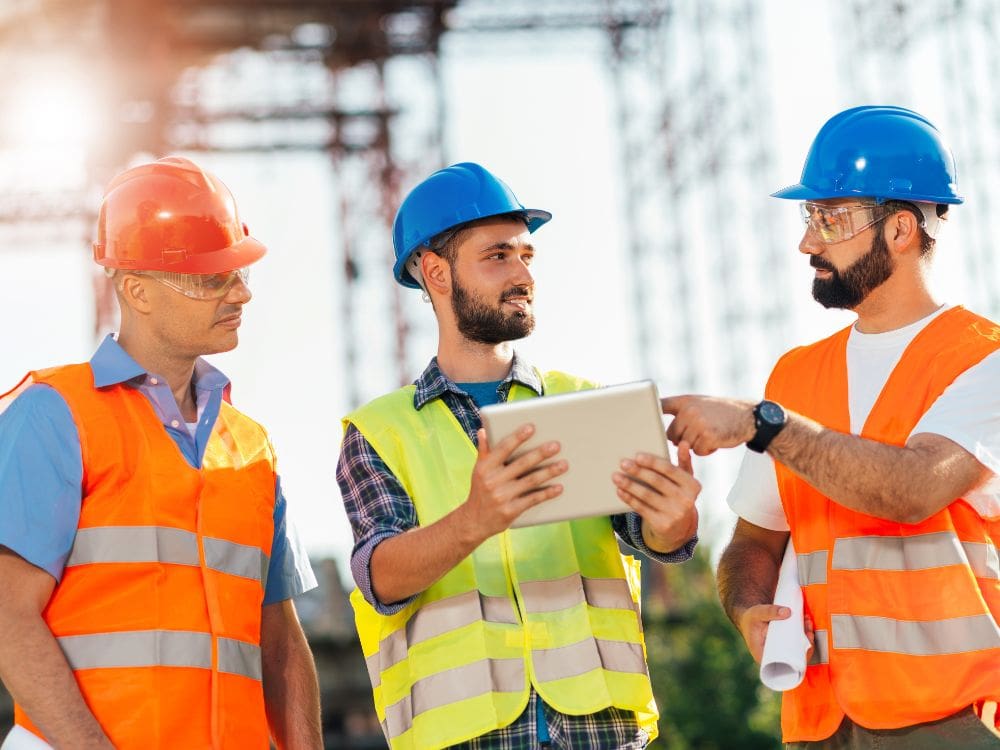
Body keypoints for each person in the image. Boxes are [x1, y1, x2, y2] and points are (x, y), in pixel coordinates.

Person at [660, 106, 1000, 747]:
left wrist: (765, 426)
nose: (808, 242)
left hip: (951, 719)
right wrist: (749, 610)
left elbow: (913, 488)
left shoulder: (984, 359)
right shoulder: (795, 378)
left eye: (831, 217)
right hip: (821, 722)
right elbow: (752, 545)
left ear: (901, 228)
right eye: (808, 217)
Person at [336, 162, 700, 749]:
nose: (522, 273)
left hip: (599, 731)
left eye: (527, 256)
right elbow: (380, 576)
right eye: (498, 256)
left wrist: (673, 518)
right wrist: (474, 520)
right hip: (465, 737)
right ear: (436, 273)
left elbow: (652, 536)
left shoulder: (583, 402)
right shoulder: (381, 431)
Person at [0, 157, 322, 750]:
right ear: (138, 290)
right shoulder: (54, 414)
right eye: (212, 278)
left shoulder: (251, 447)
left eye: (241, 273)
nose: (241, 292)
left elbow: (279, 639)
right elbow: (7, 617)